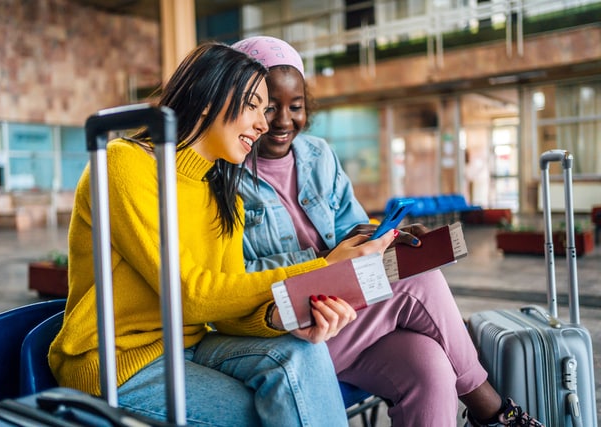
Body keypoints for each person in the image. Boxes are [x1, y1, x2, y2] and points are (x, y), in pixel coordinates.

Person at [48, 41, 395, 427]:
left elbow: (225, 310)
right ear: (209, 98)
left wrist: (282, 318)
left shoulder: (222, 195)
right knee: (277, 412)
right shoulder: (124, 164)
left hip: (191, 346)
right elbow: (189, 295)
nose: (264, 124)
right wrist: (320, 268)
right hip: (117, 364)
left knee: (304, 354)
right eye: (253, 106)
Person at [233, 36, 544, 427]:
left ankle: (490, 409)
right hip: (288, 328)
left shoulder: (318, 155)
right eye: (267, 107)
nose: (282, 121)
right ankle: (493, 412)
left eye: (295, 107)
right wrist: (324, 259)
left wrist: (383, 237)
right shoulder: (226, 172)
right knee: (414, 278)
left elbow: (352, 227)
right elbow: (236, 275)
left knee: (429, 366)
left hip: (346, 315)